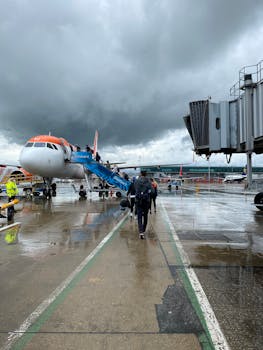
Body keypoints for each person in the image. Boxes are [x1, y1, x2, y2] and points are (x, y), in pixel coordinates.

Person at [134, 170, 152, 239]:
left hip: (138, 200)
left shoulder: (137, 181)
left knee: (139, 217)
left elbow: (136, 189)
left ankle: (141, 232)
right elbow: (152, 191)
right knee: (145, 216)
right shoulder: (148, 181)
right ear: (146, 174)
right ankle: (143, 230)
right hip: (146, 201)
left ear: (141, 174)